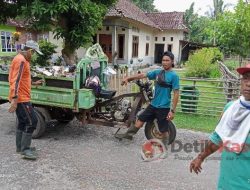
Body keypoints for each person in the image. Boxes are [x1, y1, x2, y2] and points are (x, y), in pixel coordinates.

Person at [190, 63, 250, 189]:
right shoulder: (231, 108)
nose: (248, 83)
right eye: (246, 77)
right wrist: (200, 157)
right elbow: (218, 138)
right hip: (226, 183)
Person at [115, 51, 180, 143]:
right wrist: (128, 78)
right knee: (141, 119)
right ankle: (128, 135)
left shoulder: (174, 76)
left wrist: (172, 111)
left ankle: (165, 142)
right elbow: (142, 75)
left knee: (163, 128)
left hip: (163, 107)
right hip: (153, 104)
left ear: (172, 61)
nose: (164, 62)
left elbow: (176, 93)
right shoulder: (158, 72)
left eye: (167, 60)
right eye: (163, 60)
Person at [8, 40, 43, 160]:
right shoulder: (22, 60)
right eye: (33, 53)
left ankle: (20, 147)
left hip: (21, 96)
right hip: (21, 98)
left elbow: (22, 79)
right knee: (32, 121)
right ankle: (25, 149)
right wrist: (14, 98)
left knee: (23, 121)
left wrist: (33, 82)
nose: (33, 55)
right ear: (29, 50)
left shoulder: (20, 59)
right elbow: (16, 80)